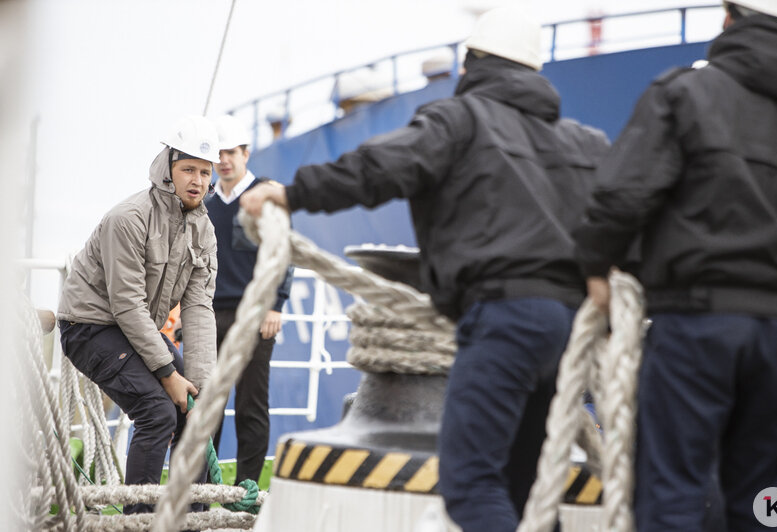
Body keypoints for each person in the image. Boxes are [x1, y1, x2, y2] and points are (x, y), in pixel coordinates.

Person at [240, 6, 609, 531]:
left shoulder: (459, 120)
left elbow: (382, 167)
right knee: (526, 490)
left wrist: (294, 193)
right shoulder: (585, 143)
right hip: (571, 333)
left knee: (471, 481)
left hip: (505, 319)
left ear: (470, 64)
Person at [572, 2, 777, 530]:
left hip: (699, 324)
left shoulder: (686, 92)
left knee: (674, 486)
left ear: (728, 19)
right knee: (766, 493)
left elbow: (623, 195)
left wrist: (596, 265)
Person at [57, 114, 219, 514]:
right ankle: (138, 519)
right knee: (157, 410)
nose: (196, 180)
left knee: (190, 408)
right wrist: (168, 375)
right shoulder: (128, 219)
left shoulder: (204, 230)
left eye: (204, 171)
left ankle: (193, 518)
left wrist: (200, 383)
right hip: (91, 327)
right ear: (168, 169)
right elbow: (127, 305)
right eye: (187, 170)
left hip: (134, 330)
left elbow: (198, 307)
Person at [206, 114, 294, 485]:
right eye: (219, 153)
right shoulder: (205, 201)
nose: (224, 160)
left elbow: (283, 250)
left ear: (246, 153)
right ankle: (199, 494)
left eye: (232, 152)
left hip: (256, 315)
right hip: (207, 317)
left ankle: (247, 492)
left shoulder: (265, 195)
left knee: (250, 407)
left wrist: (277, 304)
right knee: (206, 409)